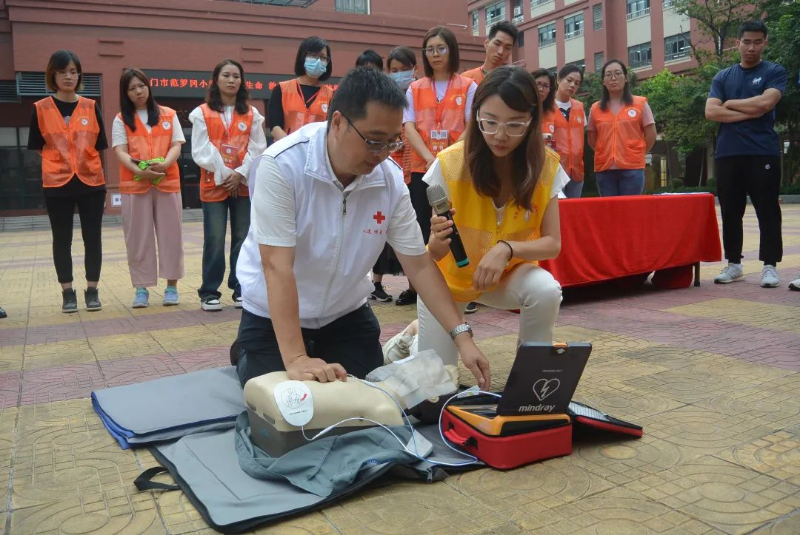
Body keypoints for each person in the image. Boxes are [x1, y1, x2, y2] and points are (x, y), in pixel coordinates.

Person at [234, 67, 490, 388]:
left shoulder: (389, 180)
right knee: (285, 398)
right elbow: (277, 267)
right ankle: (252, 351)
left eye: (392, 142)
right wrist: (297, 358)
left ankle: (394, 346)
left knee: (364, 396)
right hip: (273, 318)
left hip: (345, 317)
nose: (382, 155)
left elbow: (420, 266)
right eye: (374, 141)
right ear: (338, 122)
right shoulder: (282, 166)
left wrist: (462, 337)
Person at [419, 66, 567, 367]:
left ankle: (529, 376)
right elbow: (432, 255)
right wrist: (437, 239)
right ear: (476, 116)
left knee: (546, 290)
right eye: (490, 122)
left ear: (531, 122)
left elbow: (553, 243)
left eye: (515, 125)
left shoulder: (546, 168)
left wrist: (507, 249)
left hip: (505, 276)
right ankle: (409, 341)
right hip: (449, 283)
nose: (500, 136)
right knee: (434, 391)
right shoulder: (448, 165)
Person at [705, 20, 788, 288]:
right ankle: (734, 265)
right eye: (746, 41)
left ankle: (770, 266)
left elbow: (766, 103)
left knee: (767, 210)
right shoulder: (723, 76)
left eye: (757, 41)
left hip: (762, 151)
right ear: (737, 43)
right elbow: (710, 112)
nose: (751, 47)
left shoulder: (774, 71)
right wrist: (749, 110)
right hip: (728, 153)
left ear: (764, 43)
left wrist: (729, 103)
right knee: (730, 211)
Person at [401, 26, 478, 308]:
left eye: (441, 48)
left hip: (456, 169)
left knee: (456, 225)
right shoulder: (415, 87)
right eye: (430, 49)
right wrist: (431, 159)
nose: (435, 54)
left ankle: (463, 285)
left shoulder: (469, 86)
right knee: (423, 226)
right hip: (424, 168)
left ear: (452, 51)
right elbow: (408, 126)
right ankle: (425, 287)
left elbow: (472, 127)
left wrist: (448, 158)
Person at [28, 50, 107, 313]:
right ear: (53, 75)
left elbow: (100, 144)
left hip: (91, 181)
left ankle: (92, 290)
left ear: (79, 75)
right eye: (62, 72)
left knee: (92, 238)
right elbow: (38, 146)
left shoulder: (90, 106)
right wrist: (62, 161)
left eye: (73, 71)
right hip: (57, 183)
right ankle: (68, 292)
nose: (68, 76)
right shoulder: (40, 109)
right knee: (61, 239)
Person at [190, 59, 267, 311]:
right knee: (214, 238)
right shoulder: (201, 112)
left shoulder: (252, 114)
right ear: (216, 79)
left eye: (236, 76)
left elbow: (257, 148)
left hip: (243, 186)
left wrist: (240, 174)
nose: (232, 80)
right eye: (226, 75)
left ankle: (240, 288)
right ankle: (209, 291)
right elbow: (201, 150)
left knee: (243, 238)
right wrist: (226, 174)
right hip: (214, 184)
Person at [113, 68, 185, 308]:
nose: (138, 91)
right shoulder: (121, 119)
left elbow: (176, 144)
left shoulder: (168, 114)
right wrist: (139, 172)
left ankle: (172, 287)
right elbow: (120, 152)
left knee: (171, 236)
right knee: (137, 238)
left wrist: (166, 162)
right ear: (126, 93)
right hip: (135, 186)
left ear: (148, 86)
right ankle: (141, 288)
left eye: (141, 86)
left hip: (167, 181)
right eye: (132, 88)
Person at [588, 60, 657, 196]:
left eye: (617, 73)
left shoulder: (640, 103)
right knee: (609, 212)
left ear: (625, 78)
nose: (613, 78)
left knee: (630, 212)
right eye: (608, 75)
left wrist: (637, 152)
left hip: (632, 169)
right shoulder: (595, 108)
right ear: (603, 81)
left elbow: (651, 134)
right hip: (604, 170)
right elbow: (591, 138)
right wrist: (605, 151)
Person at [269, 36, 334, 142]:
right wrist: (293, 147)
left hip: (315, 154)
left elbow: (330, 130)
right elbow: (275, 127)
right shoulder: (281, 89)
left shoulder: (331, 95)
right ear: (303, 57)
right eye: (313, 55)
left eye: (323, 57)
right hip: (286, 153)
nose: (318, 61)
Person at [552, 65, 586, 198]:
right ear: (559, 80)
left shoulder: (579, 107)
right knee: (558, 213)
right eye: (569, 80)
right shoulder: (546, 106)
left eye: (577, 83)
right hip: (555, 169)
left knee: (574, 211)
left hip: (577, 171)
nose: (572, 85)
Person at [531, 69, 557, 139]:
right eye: (538, 84)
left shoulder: (551, 112)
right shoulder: (521, 110)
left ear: (550, 90)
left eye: (545, 86)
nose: (541, 89)